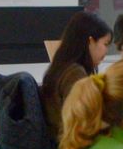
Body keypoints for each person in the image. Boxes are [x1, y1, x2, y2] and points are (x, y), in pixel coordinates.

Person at [41, 12, 112, 141]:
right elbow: (82, 121)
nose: (106, 51)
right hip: (71, 148)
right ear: (90, 41)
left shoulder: (61, 68)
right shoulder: (74, 74)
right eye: (105, 44)